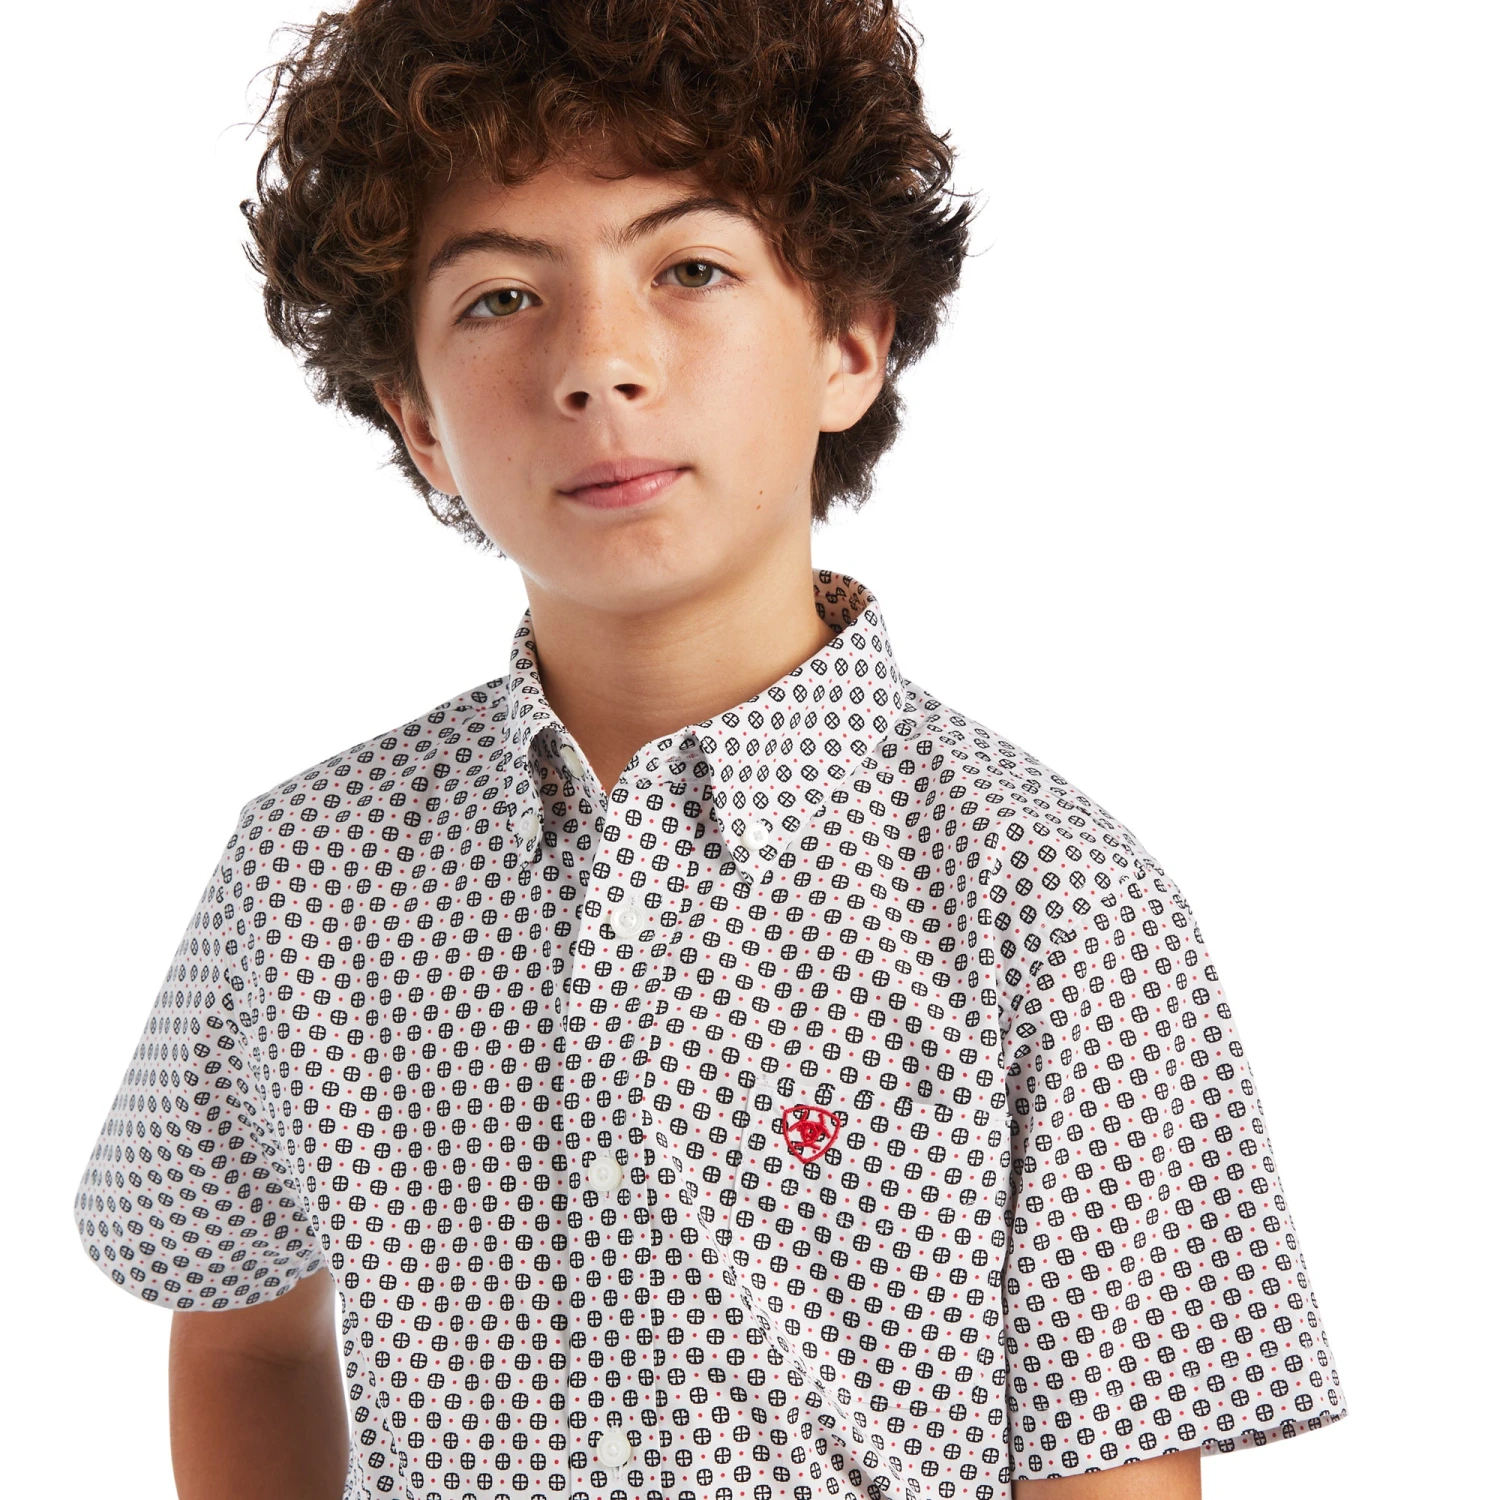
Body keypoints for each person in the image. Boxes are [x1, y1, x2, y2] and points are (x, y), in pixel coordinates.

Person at [72, 3, 1347, 1497]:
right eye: (500, 297)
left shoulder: (1056, 908)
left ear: (849, 343)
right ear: (417, 418)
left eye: (689, 270)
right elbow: (241, 1336)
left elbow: (1114, 1465)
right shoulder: (306, 879)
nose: (599, 364)